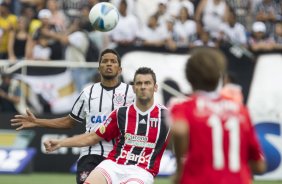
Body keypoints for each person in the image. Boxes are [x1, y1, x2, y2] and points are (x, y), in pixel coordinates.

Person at [10, 48, 135, 184]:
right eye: (105, 61)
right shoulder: (88, 92)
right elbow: (70, 122)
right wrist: (37, 122)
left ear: (120, 69)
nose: (109, 64)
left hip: (119, 156)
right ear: (99, 68)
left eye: (113, 62)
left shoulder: (131, 94)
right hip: (91, 155)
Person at [44, 67, 170, 184]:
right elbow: (93, 137)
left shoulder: (168, 116)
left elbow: (184, 141)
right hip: (113, 165)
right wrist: (60, 143)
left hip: (142, 171)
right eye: (139, 83)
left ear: (155, 87)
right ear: (133, 88)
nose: (143, 87)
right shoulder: (121, 113)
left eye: (147, 83)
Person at [168, 47, 266, 184]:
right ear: (220, 75)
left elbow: (179, 130)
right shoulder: (240, 110)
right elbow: (259, 166)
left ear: (189, 78)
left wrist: (180, 168)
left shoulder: (183, 108)